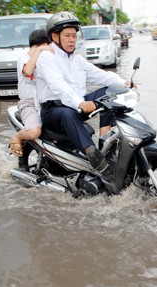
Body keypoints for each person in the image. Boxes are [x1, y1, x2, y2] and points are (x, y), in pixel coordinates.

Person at [35, 11, 132, 181]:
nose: (72, 39)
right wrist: (80, 102)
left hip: (76, 106)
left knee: (109, 94)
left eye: (74, 35)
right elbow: (59, 87)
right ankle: (94, 157)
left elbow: (100, 75)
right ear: (54, 36)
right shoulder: (47, 58)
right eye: (67, 36)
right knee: (67, 113)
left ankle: (105, 143)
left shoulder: (76, 59)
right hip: (53, 112)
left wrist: (124, 83)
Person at [8, 29, 53, 156]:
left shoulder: (45, 59)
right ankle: (17, 137)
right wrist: (39, 51)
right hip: (28, 103)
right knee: (34, 132)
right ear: (44, 45)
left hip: (45, 103)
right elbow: (27, 71)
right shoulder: (24, 57)